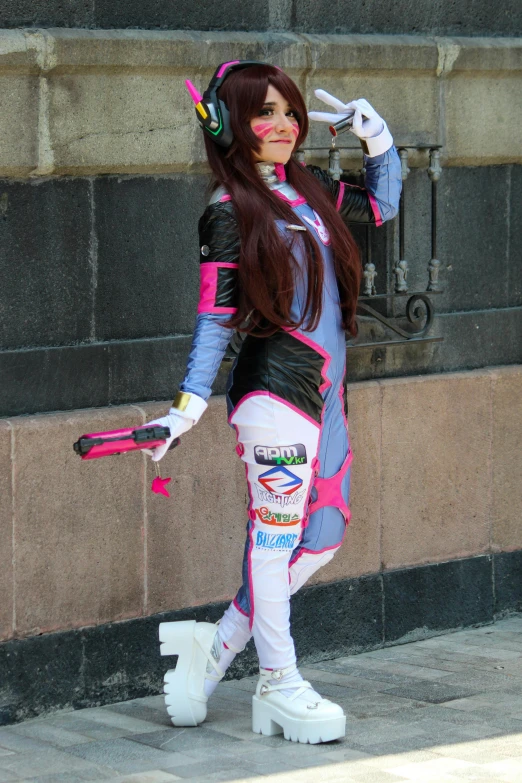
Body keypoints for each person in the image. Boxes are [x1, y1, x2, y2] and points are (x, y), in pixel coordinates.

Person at [145, 61, 402, 744]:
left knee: (324, 535)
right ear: (229, 123)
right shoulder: (229, 212)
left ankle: (218, 645)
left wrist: (377, 138)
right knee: (277, 535)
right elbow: (215, 318)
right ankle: (279, 681)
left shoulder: (308, 189)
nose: (284, 126)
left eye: (289, 112)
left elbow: (382, 205)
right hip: (273, 394)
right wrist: (187, 403)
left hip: (327, 394)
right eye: (265, 113)